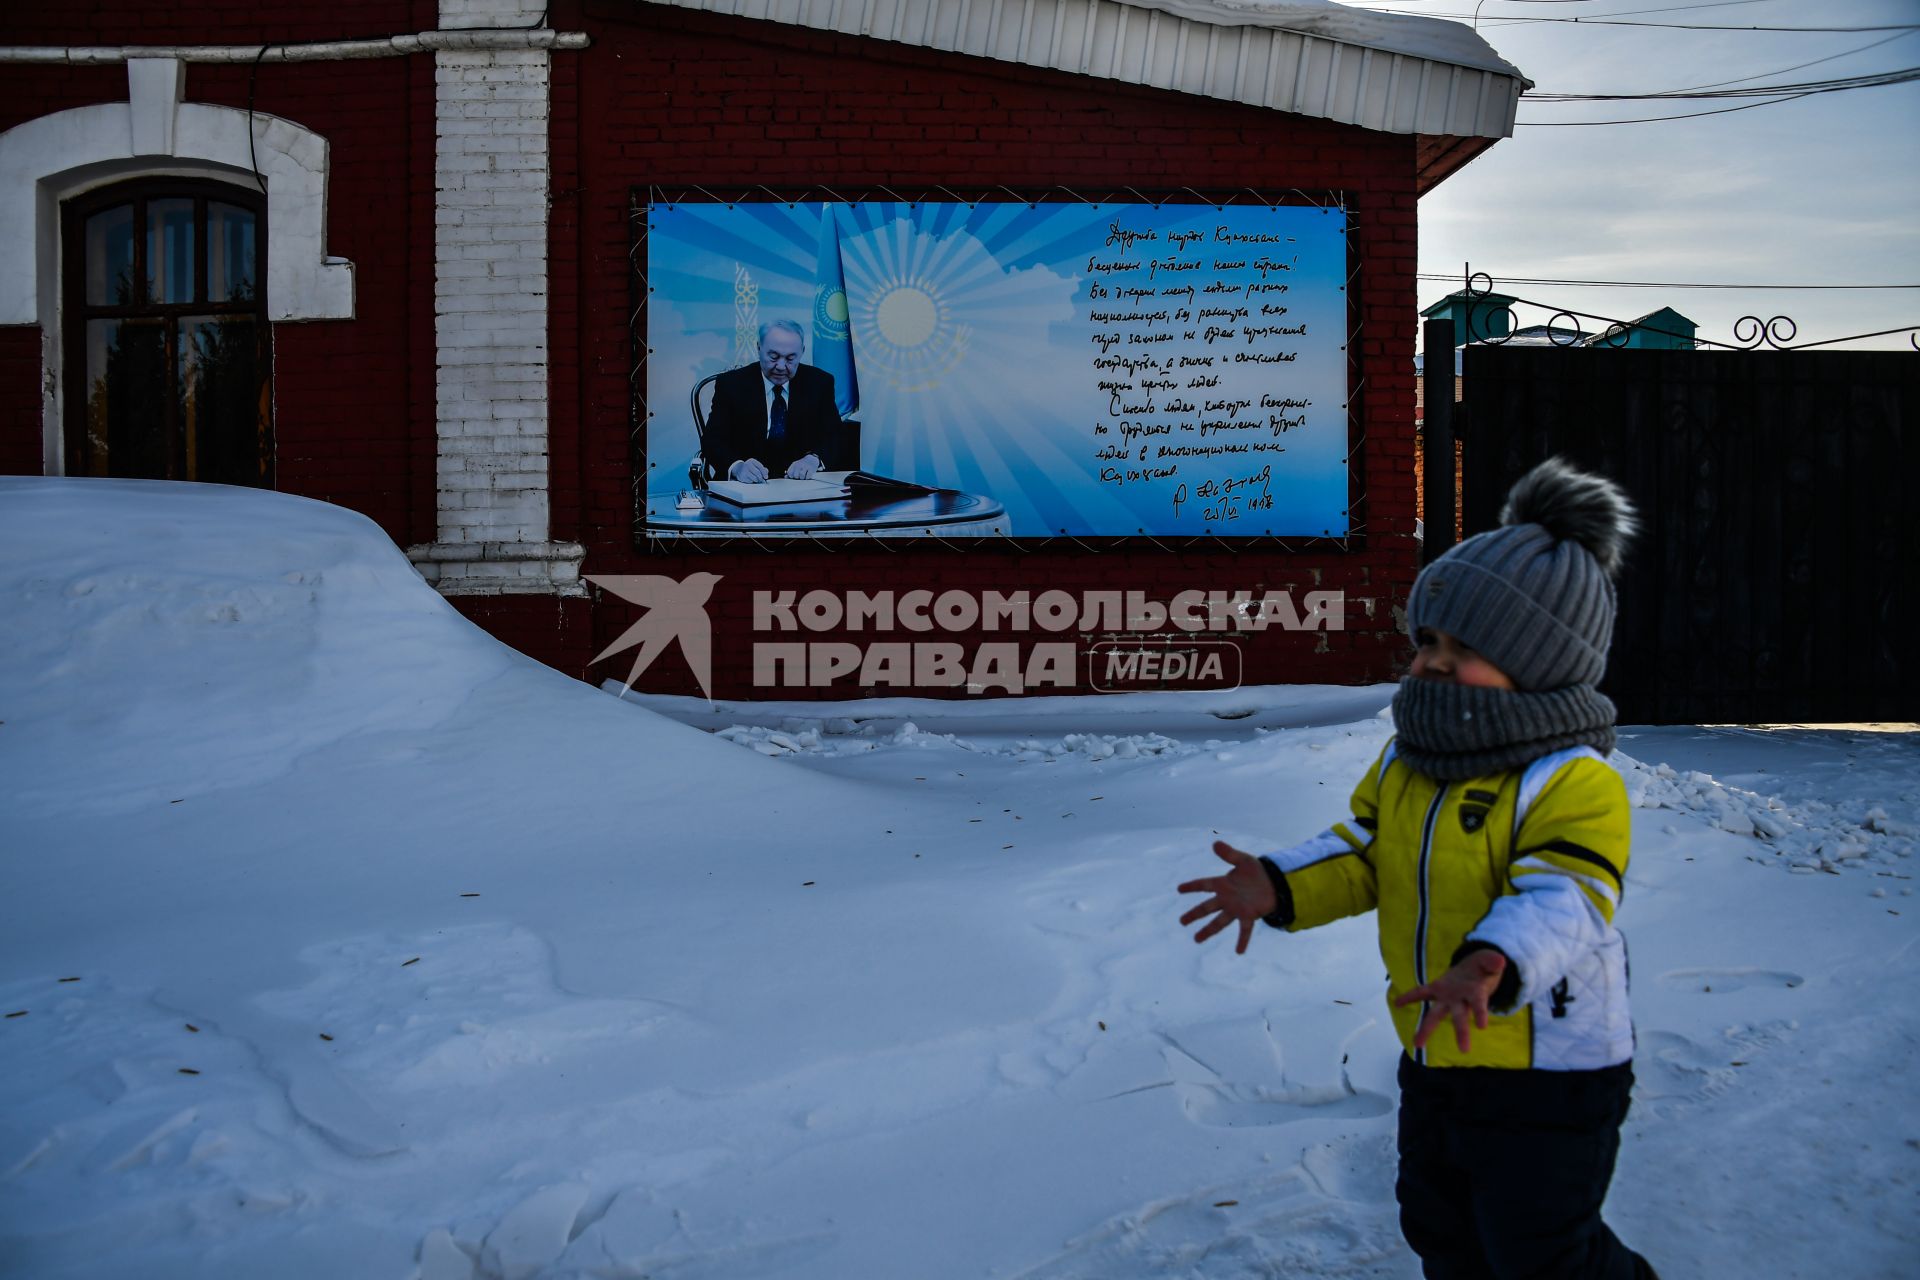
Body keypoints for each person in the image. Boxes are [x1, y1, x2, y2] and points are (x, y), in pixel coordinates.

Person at [1178, 457, 1657, 1280]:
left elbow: (1567, 894)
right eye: (1427, 640)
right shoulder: (1411, 762)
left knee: (1542, 1251)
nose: (1433, 661)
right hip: (1435, 1046)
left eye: (1465, 648)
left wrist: (1489, 961)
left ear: (1540, 664)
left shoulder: (1572, 780)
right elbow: (1365, 850)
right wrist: (1282, 883)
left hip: (1550, 1068)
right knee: (1441, 1226)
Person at [701, 319, 841, 484]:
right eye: (773, 357)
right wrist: (737, 467)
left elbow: (836, 436)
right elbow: (712, 440)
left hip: (802, 486)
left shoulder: (819, 383)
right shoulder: (732, 384)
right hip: (745, 486)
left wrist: (814, 459)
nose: (781, 366)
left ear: (802, 352)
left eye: (790, 358)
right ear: (759, 348)